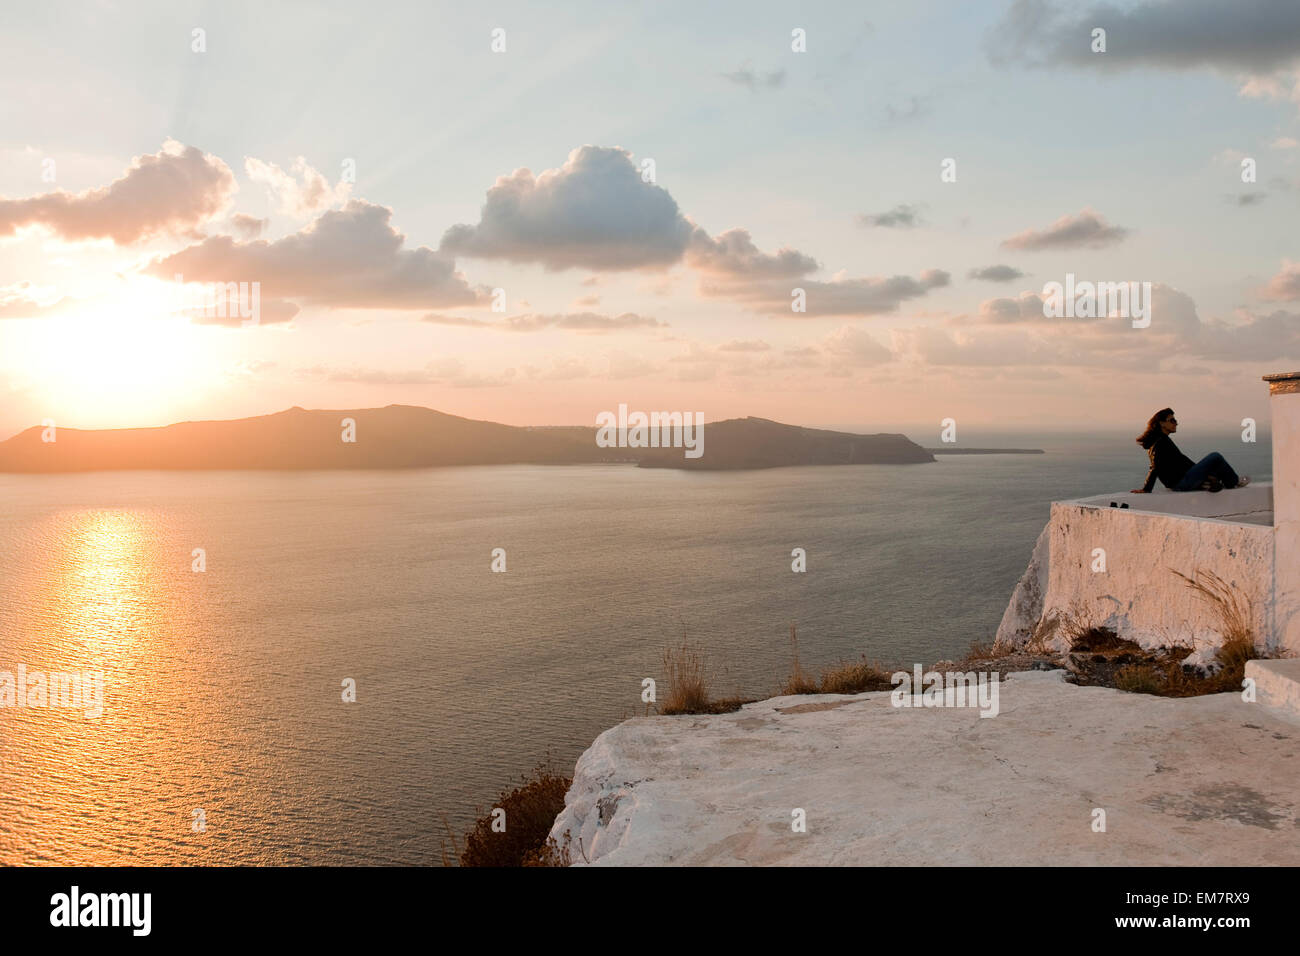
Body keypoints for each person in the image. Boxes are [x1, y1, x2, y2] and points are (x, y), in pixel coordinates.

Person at [1131, 408, 1250, 494]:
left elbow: (1181, 462)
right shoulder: (1161, 442)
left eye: (1175, 420)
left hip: (1179, 482)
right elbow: (1155, 466)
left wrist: (1202, 473)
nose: (1176, 423)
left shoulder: (1161, 440)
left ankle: (1208, 482)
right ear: (1162, 423)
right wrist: (1147, 488)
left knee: (1214, 467)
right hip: (1181, 483)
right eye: (1172, 420)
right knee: (1215, 456)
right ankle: (1234, 482)